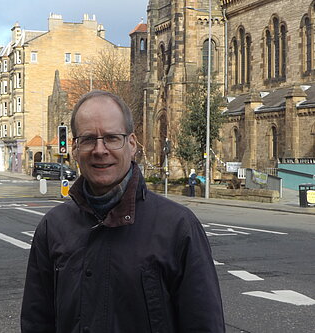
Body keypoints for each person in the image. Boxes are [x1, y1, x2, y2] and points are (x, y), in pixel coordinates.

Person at [21, 91, 225, 333]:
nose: (100, 149)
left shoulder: (178, 226)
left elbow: (203, 325)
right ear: (74, 148)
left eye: (111, 137)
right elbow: (37, 321)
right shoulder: (53, 227)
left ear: (131, 144)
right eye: (88, 139)